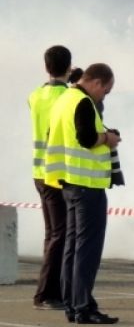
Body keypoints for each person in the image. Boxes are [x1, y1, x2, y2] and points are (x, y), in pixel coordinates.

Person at [44, 63, 121, 325]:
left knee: (72, 248)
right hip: (87, 183)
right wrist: (108, 138)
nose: (104, 96)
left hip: (68, 182)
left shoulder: (65, 98)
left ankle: (72, 303)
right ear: (97, 83)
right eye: (106, 91)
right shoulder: (84, 102)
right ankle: (83, 306)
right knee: (87, 250)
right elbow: (87, 138)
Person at [28, 45, 73, 310]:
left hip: (39, 171)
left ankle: (51, 289)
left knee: (53, 233)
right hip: (59, 172)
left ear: (46, 67)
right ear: (69, 67)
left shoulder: (35, 95)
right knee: (61, 234)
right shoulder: (68, 96)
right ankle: (45, 293)